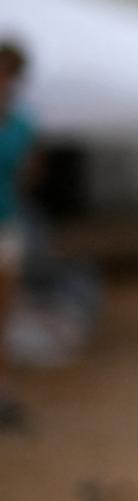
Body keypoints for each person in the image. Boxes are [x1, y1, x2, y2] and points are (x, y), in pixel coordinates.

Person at [0, 39, 37, 431]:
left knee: (3, 314)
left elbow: (27, 173)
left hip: (6, 225)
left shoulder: (23, 123)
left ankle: (2, 391)